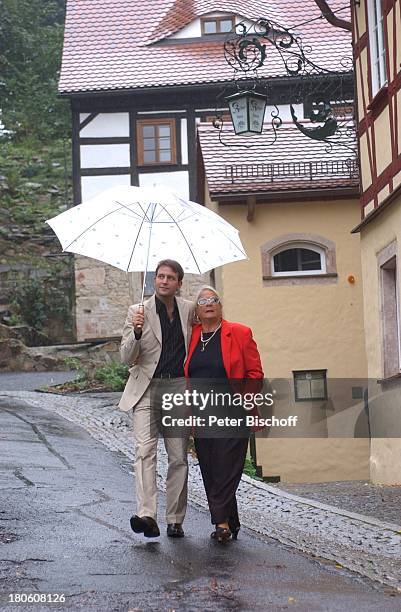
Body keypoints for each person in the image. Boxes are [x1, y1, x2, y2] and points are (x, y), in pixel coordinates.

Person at [119, 260, 194, 538]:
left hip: (177, 387)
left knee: (178, 457)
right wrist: (136, 332)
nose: (163, 281)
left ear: (179, 283)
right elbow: (126, 357)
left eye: (170, 277)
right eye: (160, 276)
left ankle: (175, 518)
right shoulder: (136, 311)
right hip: (146, 388)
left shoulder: (188, 310)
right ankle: (147, 515)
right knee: (144, 452)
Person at [184, 285, 264, 542]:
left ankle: (221, 524)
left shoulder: (239, 333)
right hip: (201, 413)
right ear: (196, 309)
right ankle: (231, 518)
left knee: (227, 468)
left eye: (214, 299)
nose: (209, 303)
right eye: (203, 300)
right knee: (209, 467)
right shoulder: (192, 335)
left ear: (220, 306)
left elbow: (255, 373)